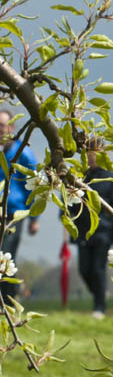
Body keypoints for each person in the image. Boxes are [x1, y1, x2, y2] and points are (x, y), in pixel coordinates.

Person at [71, 139, 113, 318]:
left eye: (94, 155)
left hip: (105, 232)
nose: (91, 159)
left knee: (98, 269)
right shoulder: (80, 177)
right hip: (83, 231)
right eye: (88, 155)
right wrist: (66, 215)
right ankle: (100, 293)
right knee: (84, 270)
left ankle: (99, 308)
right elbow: (70, 200)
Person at [0, 110, 39, 305]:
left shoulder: (23, 153)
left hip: (14, 214)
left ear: (11, 127)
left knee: (6, 257)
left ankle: (8, 302)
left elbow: (33, 184)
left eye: (1, 126)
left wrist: (34, 218)